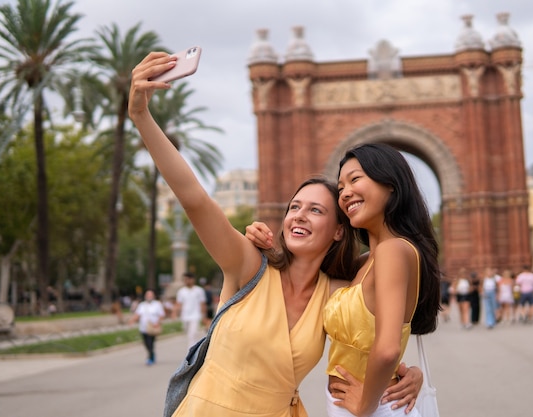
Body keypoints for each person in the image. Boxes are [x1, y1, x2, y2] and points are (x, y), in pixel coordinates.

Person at [128, 52, 421, 417]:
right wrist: (140, 116)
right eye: (294, 207)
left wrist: (408, 375)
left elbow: (374, 331)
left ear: (337, 231)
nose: (299, 215)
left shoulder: (336, 293)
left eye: (316, 210)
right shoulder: (249, 265)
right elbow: (195, 199)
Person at [250, 144, 441, 416]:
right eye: (341, 189)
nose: (346, 193)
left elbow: (387, 349)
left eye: (355, 179)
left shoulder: (393, 250)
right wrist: (266, 246)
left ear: (391, 184)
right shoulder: (365, 262)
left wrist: (364, 408)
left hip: (372, 408)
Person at [129, 289, 165, 366]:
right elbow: (137, 315)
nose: (149, 296)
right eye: (147, 295)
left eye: (150, 295)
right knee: (146, 343)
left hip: (153, 327)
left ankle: (150, 358)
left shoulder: (157, 304)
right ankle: (151, 354)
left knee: (150, 343)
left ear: (153, 296)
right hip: (143, 327)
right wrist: (132, 320)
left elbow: (161, 315)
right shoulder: (142, 305)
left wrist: (157, 323)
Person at [175, 272, 206, 349]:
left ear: (192, 280)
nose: (186, 281)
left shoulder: (199, 290)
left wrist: (204, 316)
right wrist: (175, 313)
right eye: (184, 279)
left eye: (188, 279)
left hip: (195, 315)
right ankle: (193, 348)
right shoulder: (181, 291)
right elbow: (179, 303)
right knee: (188, 333)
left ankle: (191, 351)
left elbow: (202, 303)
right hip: (185, 315)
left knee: (192, 334)